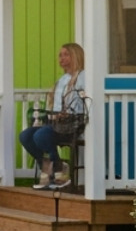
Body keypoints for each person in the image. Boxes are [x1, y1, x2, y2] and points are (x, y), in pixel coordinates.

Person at [21, 43, 87, 190]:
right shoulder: (63, 79)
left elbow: (86, 100)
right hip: (58, 122)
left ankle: (58, 171)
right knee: (26, 136)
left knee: (41, 135)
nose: (62, 58)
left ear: (76, 56)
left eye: (66, 54)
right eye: (60, 55)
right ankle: (51, 167)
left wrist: (69, 113)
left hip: (74, 122)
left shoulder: (83, 77)